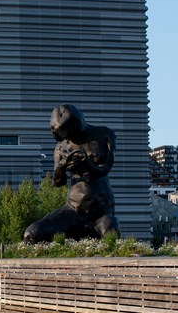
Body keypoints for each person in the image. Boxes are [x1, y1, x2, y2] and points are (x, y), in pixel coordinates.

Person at [24, 103, 120, 243]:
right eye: (62, 133)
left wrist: (87, 165)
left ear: (76, 124)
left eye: (68, 132)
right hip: (73, 210)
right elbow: (57, 183)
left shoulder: (104, 135)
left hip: (100, 210)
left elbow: (105, 169)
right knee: (31, 234)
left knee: (110, 232)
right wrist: (61, 168)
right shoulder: (60, 148)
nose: (67, 137)